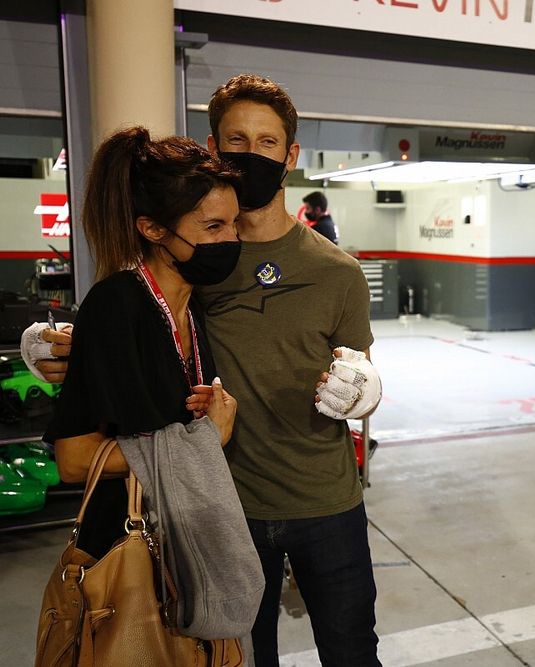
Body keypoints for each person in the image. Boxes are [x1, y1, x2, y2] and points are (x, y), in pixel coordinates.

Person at [26, 74, 383, 667]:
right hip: (224, 505)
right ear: (214, 148)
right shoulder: (191, 256)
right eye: (235, 141)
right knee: (239, 657)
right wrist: (60, 345)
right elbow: (130, 318)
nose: (251, 155)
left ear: (291, 155)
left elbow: (356, 371)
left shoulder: (336, 272)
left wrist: (365, 394)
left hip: (325, 501)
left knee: (352, 653)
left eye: (268, 143)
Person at [44, 127, 241, 571]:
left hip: (183, 540)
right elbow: (74, 461)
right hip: (127, 550)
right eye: (213, 226)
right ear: (152, 228)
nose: (231, 240)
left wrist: (202, 418)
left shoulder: (192, 305)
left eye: (234, 224)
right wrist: (208, 438)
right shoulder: (117, 305)